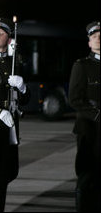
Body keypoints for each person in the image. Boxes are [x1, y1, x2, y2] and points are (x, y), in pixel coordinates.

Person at [0, 17, 30, 212]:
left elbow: (25, 101)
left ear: (9, 38)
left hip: (9, 130)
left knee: (5, 175)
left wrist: (23, 88)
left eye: (1, 33)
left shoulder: (14, 63)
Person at [69, 21, 100, 212]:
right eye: (94, 36)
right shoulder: (82, 65)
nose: (98, 39)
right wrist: (97, 115)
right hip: (90, 128)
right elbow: (75, 99)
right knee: (87, 173)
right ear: (89, 42)